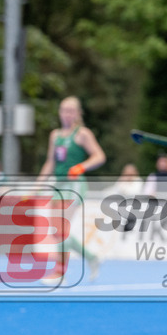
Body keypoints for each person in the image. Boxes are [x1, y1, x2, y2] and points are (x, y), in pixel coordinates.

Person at [38, 96, 107, 279]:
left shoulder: (82, 134)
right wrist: (37, 186)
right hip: (59, 185)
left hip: (75, 185)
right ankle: (92, 257)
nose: (66, 114)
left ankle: (59, 272)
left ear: (77, 113)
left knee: (61, 229)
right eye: (63, 110)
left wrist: (82, 166)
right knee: (57, 231)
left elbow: (99, 156)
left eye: (70, 110)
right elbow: (50, 163)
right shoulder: (55, 135)